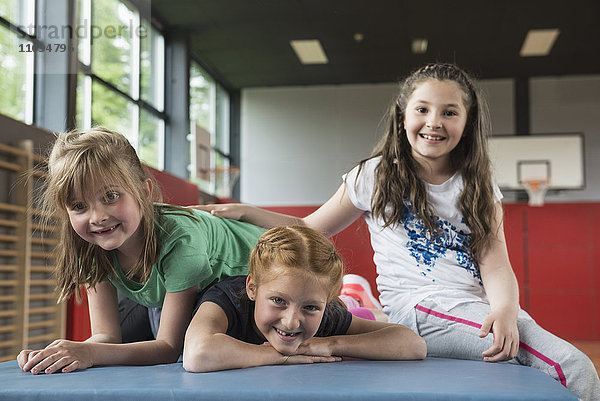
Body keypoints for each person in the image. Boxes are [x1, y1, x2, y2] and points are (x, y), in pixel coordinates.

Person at [195, 63, 600, 399]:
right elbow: (308, 228)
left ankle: (357, 295)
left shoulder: (478, 185)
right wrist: (247, 212)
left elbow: (496, 265)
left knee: (531, 353)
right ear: (403, 114)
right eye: (422, 109)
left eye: (449, 112)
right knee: (573, 367)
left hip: (471, 309)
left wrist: (506, 311)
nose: (434, 123)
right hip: (419, 306)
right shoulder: (374, 175)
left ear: (468, 120)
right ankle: (359, 295)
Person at [17, 127, 265, 374]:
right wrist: (62, 353)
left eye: (111, 196)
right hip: (193, 288)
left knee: (192, 351)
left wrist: (90, 353)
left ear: (144, 193)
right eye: (79, 206)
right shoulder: (91, 249)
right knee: (128, 338)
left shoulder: (181, 241)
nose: (97, 217)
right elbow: (106, 336)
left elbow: (167, 348)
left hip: (258, 275)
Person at [182, 225, 426, 372]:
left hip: (336, 307)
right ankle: (353, 297)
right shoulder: (226, 299)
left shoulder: (326, 314)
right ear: (253, 288)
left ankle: (353, 296)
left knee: (353, 314)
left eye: (310, 307)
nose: (290, 322)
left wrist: (330, 344)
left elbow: (414, 345)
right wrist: (281, 357)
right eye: (278, 301)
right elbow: (197, 354)